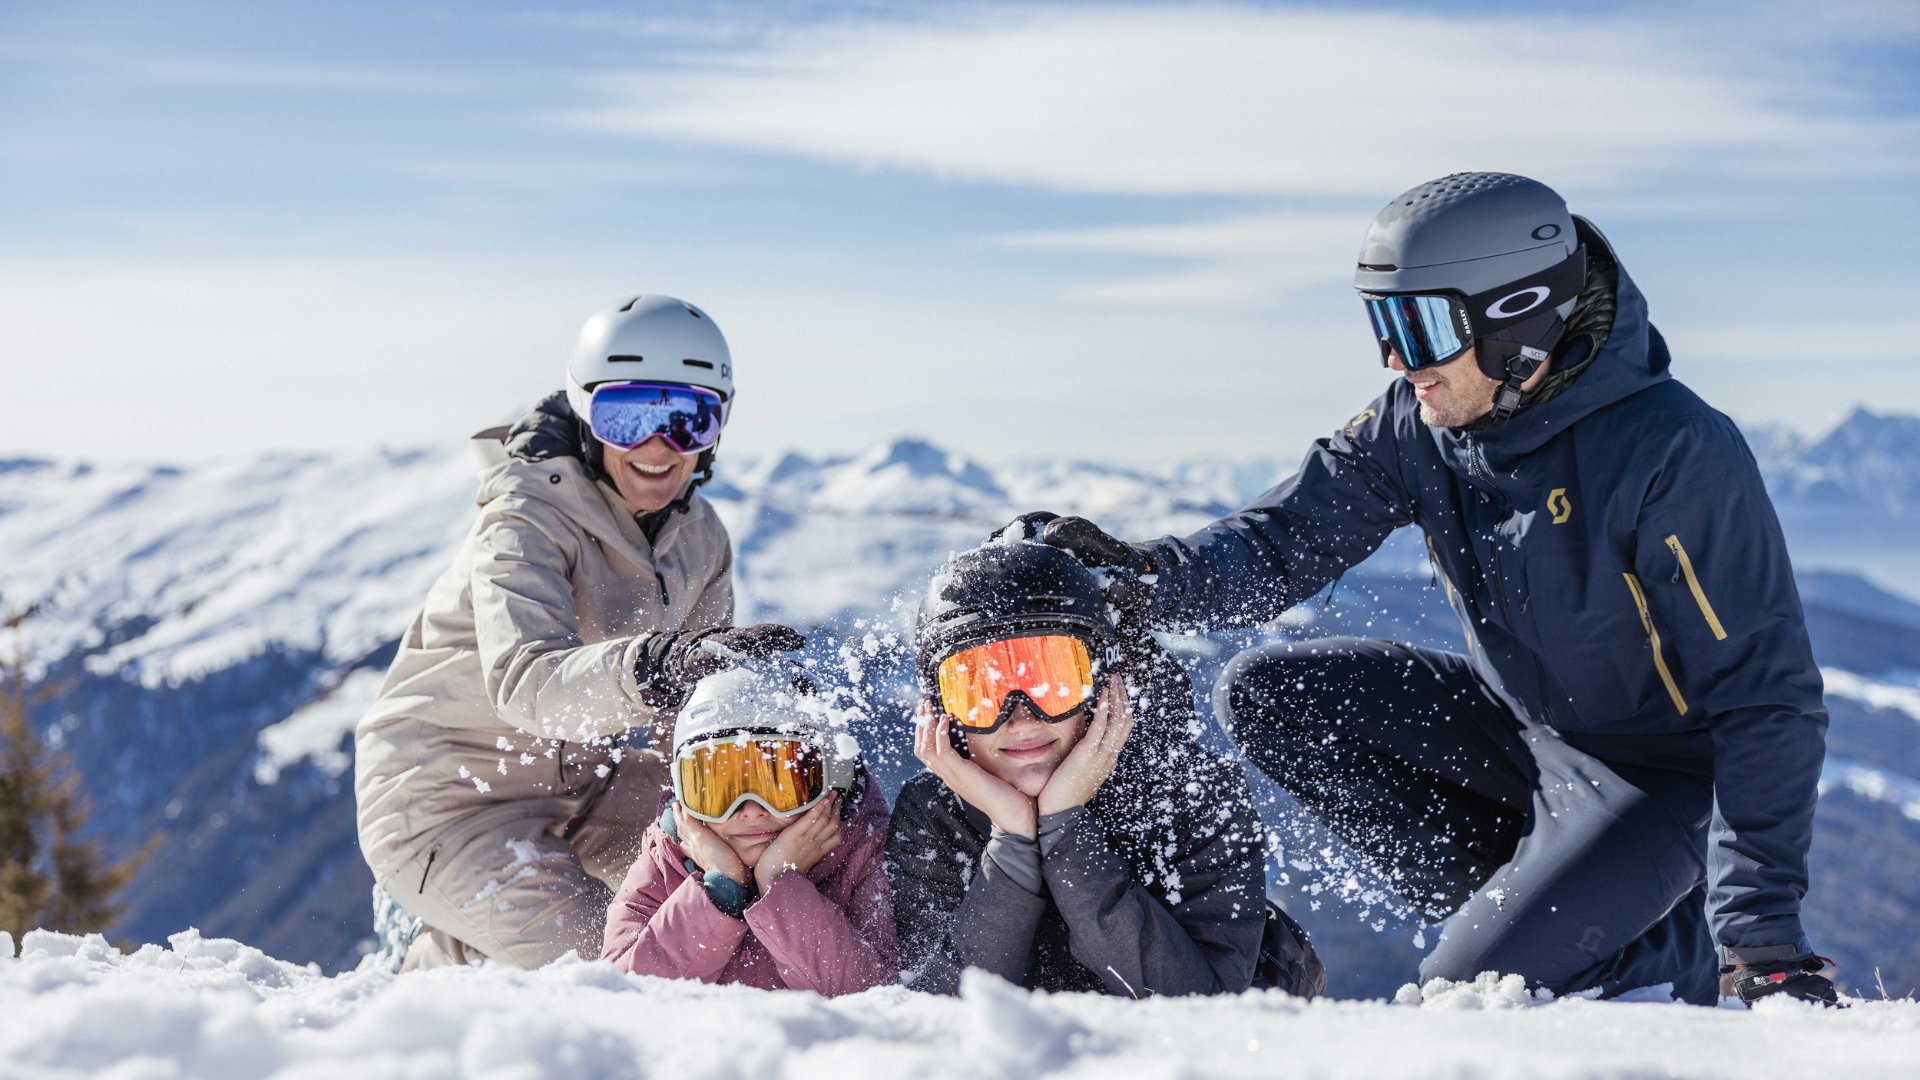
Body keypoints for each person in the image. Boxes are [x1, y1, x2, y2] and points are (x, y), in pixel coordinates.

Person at [1015, 173, 1839, 1006]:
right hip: (1520, 728)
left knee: (1470, 988)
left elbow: (1766, 697)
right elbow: (1284, 540)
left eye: (1421, 323)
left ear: (1519, 317)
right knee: (1265, 694)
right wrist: (1143, 583)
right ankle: (1546, 913)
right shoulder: (1420, 422)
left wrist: (1761, 934)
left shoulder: (1674, 451)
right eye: (1383, 320)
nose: (1396, 358)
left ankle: (1661, 952)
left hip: (1656, 778)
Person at [355, 295, 804, 970]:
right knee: (607, 967)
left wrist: (757, 728)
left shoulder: (701, 539)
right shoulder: (524, 518)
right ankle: (435, 958)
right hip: (448, 798)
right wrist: (661, 665)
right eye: (629, 418)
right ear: (588, 415)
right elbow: (523, 681)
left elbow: (688, 715)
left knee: (699, 922)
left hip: (592, 786)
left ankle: (471, 943)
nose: (659, 447)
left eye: (689, 420)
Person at [886, 540, 1323, 998]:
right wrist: (1012, 841)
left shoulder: (1191, 794)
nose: (1022, 717)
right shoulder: (933, 814)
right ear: (942, 713)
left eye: (1051, 681)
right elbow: (940, 1009)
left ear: (1102, 684)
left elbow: (1200, 1006)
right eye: (981, 692)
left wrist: (1065, 828)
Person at [602, 667, 898, 994]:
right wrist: (719, 889)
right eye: (718, 788)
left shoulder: (863, 855)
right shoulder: (665, 860)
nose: (751, 809)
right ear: (683, 795)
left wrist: (778, 884)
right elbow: (626, 996)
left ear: (833, 779)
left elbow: (878, 997)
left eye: (780, 784)